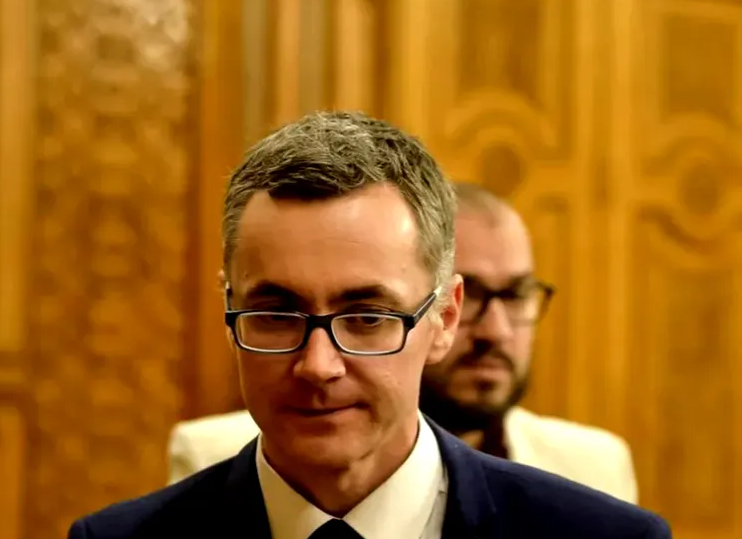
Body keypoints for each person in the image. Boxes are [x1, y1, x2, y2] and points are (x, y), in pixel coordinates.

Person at [22, 111, 691, 539]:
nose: (318, 365)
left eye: (367, 316)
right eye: (276, 313)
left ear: (443, 319)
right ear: (229, 312)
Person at [166, 182, 638, 502]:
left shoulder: (592, 470)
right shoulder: (216, 456)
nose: (495, 331)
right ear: (441, 311)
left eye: (515, 295)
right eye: (474, 295)